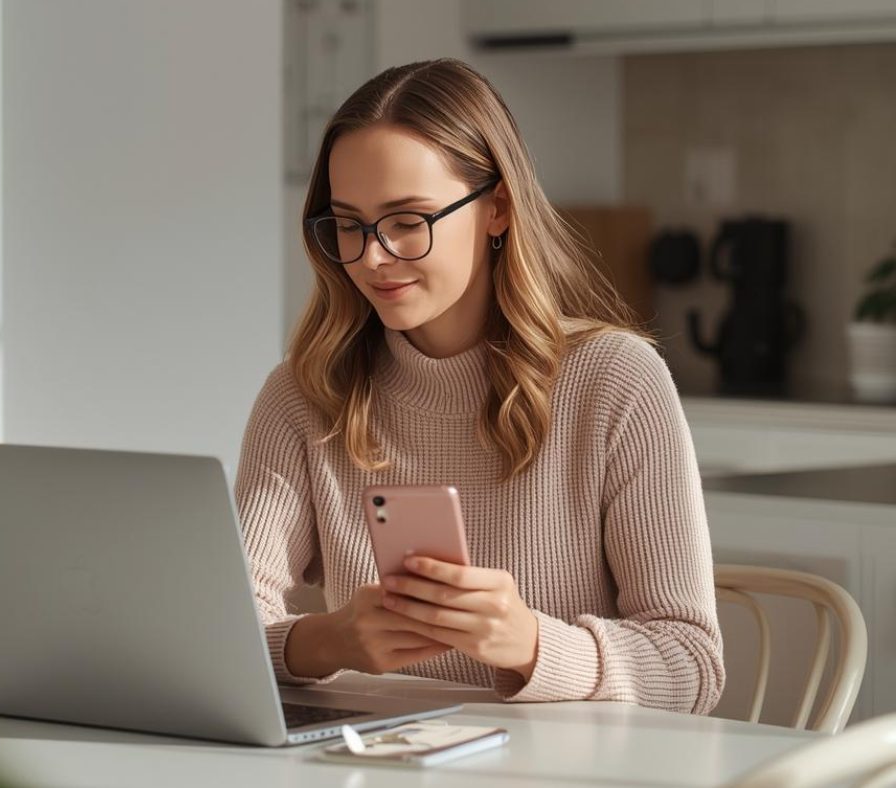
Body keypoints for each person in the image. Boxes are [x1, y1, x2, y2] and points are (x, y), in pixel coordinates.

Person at [234, 58, 724, 713]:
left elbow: (691, 667)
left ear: (496, 208)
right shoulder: (304, 394)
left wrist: (530, 644)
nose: (371, 257)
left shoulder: (616, 382)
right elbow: (224, 638)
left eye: (407, 222)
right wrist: (330, 641)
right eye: (348, 224)